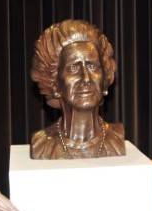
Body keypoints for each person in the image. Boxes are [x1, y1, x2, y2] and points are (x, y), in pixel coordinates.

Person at [30, 19, 125, 159]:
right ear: (55, 83)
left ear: (104, 79)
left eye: (92, 66)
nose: (86, 78)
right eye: (74, 68)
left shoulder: (117, 139)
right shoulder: (41, 146)